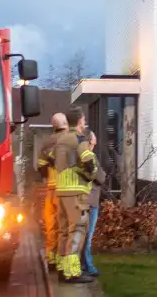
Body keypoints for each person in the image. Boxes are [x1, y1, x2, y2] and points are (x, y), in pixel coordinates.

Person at [53, 107, 96, 284]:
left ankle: (63, 268)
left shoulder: (60, 140)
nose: (84, 123)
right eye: (84, 120)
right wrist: (90, 174)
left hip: (60, 191)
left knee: (63, 231)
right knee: (77, 230)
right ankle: (73, 272)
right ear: (79, 121)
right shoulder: (79, 139)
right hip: (76, 193)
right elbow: (88, 161)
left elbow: (50, 159)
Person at [36, 113, 69, 269]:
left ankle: (51, 260)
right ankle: (63, 263)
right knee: (65, 227)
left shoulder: (47, 142)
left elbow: (41, 167)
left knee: (51, 226)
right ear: (66, 123)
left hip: (51, 189)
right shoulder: (70, 139)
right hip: (66, 189)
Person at [82, 131, 105, 277]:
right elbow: (100, 177)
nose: (96, 139)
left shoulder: (84, 155)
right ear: (91, 141)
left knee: (85, 235)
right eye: (94, 137)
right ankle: (89, 267)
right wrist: (102, 174)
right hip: (90, 201)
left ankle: (85, 264)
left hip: (88, 200)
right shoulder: (90, 156)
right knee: (87, 236)